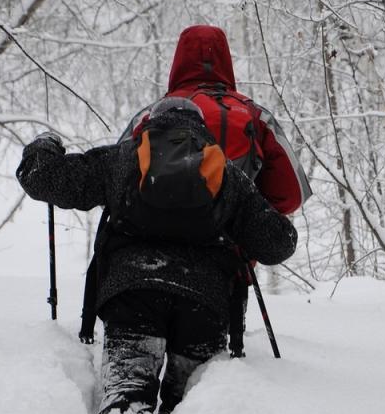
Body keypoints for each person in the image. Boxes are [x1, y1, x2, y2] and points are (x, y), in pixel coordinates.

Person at [16, 98, 298, 414]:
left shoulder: (123, 158)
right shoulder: (225, 174)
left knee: (127, 398)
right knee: (193, 413)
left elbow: (43, 179)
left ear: (150, 125)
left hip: (132, 296)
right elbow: (279, 244)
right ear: (201, 132)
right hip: (204, 307)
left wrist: (43, 147)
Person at [80, 24, 312, 356]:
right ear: (227, 62)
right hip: (222, 272)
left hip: (138, 271)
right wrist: (241, 207)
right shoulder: (256, 116)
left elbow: (120, 184)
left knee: (131, 385)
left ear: (178, 61)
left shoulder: (151, 117)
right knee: (200, 390)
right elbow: (290, 196)